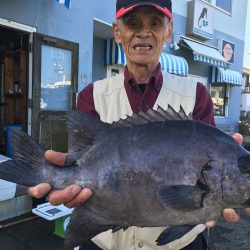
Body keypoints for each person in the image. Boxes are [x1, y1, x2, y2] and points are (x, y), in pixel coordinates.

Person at [28, 0, 248, 249]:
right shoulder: (92, 95)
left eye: (155, 23)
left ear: (168, 31)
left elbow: (215, 170)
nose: (144, 32)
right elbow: (80, 162)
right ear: (117, 32)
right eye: (133, 23)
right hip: (105, 241)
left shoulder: (197, 94)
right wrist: (59, 176)